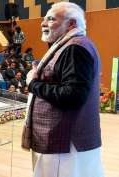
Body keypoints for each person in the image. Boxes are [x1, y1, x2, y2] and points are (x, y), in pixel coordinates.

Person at [24, 2, 104, 177]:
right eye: (44, 19)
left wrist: (33, 84)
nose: (43, 23)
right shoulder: (74, 45)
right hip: (63, 142)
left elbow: (73, 96)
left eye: (51, 19)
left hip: (63, 144)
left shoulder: (74, 48)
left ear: (71, 24)